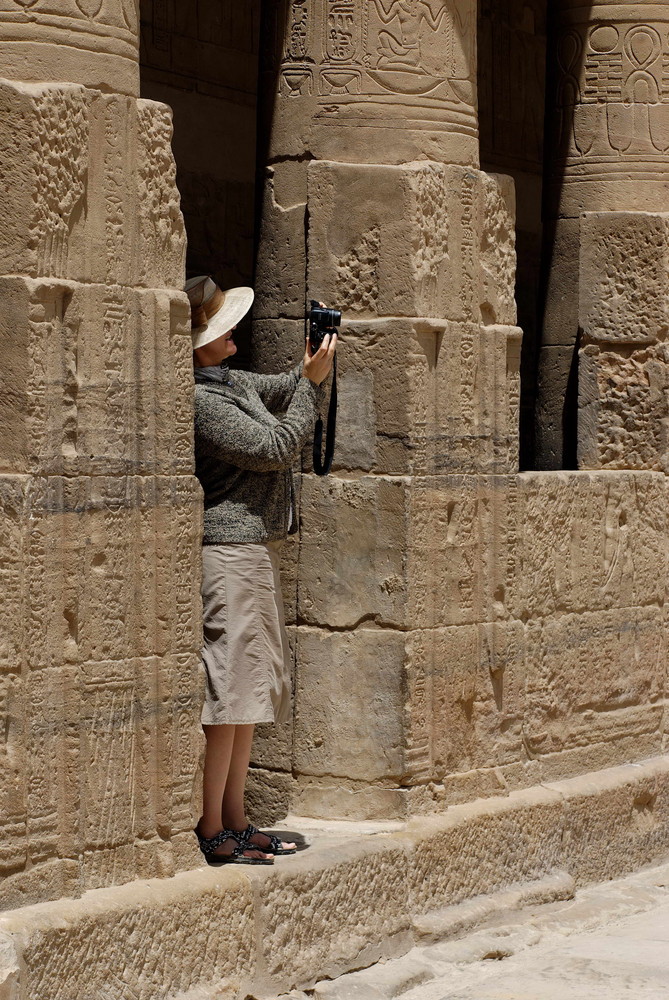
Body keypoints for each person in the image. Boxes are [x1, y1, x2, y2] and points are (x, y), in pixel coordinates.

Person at [185, 275, 336, 865]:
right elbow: (276, 447)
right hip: (227, 554)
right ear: (200, 344)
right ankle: (212, 826)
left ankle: (237, 818)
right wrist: (311, 389)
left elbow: (283, 386)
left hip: (249, 553)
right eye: (223, 333)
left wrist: (312, 360)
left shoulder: (226, 382)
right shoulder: (202, 400)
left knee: (248, 692)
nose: (235, 343)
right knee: (229, 695)